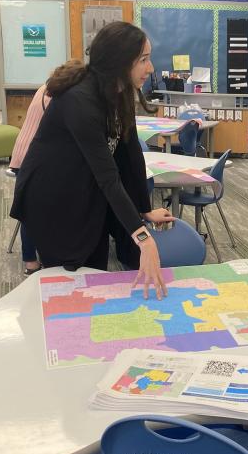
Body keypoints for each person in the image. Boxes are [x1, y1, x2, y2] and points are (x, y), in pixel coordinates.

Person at [10, 22, 173, 298]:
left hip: (85, 192)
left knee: (95, 274)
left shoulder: (118, 93)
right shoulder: (79, 100)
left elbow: (130, 156)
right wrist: (144, 239)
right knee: (69, 287)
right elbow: (108, 176)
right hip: (52, 201)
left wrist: (143, 210)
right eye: (144, 60)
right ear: (120, 61)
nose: (151, 68)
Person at [8, 60, 81, 276]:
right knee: (31, 214)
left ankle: (31, 258)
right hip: (34, 157)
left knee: (28, 211)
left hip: (24, 152)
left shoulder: (46, 88)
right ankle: (31, 262)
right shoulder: (56, 98)